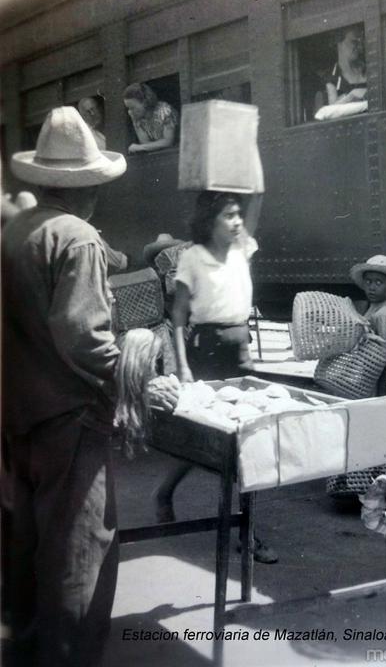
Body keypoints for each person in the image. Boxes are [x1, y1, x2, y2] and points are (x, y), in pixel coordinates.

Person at [2, 106, 127, 666]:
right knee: (78, 558)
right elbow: (81, 335)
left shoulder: (17, 230)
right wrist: (130, 371)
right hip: (70, 424)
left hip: (20, 419)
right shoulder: (78, 237)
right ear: (88, 187)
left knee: (28, 551)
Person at [154, 190, 278, 564]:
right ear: (210, 221)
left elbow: (256, 198)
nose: (237, 221)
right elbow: (178, 316)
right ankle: (165, 492)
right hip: (205, 349)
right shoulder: (192, 257)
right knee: (205, 438)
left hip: (240, 346)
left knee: (247, 439)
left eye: (238, 215)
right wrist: (184, 366)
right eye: (228, 215)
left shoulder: (244, 248)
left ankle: (248, 531)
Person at [349, 254, 386, 339]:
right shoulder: (375, 306)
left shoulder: (385, 314)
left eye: (378, 283)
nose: (372, 288)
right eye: (368, 282)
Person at [123, 82, 178, 154]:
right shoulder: (138, 118)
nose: (129, 112)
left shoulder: (165, 111)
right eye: (128, 108)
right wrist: (136, 123)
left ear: (145, 102)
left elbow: (168, 141)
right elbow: (145, 143)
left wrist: (140, 147)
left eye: (132, 108)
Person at [324, 27, 367, 106]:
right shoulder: (332, 78)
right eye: (354, 42)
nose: (359, 46)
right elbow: (333, 110)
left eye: (359, 42)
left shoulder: (368, 68)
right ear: (339, 43)